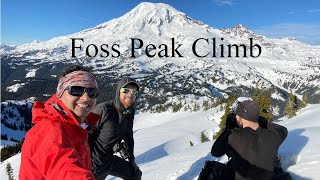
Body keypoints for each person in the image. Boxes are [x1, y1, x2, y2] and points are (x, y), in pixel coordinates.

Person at [19, 65, 100, 179]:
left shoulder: (73, 126)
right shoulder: (50, 129)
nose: (86, 98)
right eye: (76, 90)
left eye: (92, 92)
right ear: (60, 93)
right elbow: (67, 171)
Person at [199, 100, 289, 180]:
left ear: (242, 117)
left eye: (237, 115)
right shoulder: (271, 135)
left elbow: (216, 152)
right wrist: (261, 121)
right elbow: (283, 130)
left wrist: (228, 129)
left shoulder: (235, 137)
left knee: (210, 166)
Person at [89, 77, 142, 180]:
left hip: (109, 160)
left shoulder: (129, 113)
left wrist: (131, 160)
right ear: (118, 91)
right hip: (93, 165)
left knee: (135, 174)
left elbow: (129, 136)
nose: (130, 94)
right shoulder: (103, 110)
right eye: (126, 90)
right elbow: (83, 135)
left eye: (134, 92)